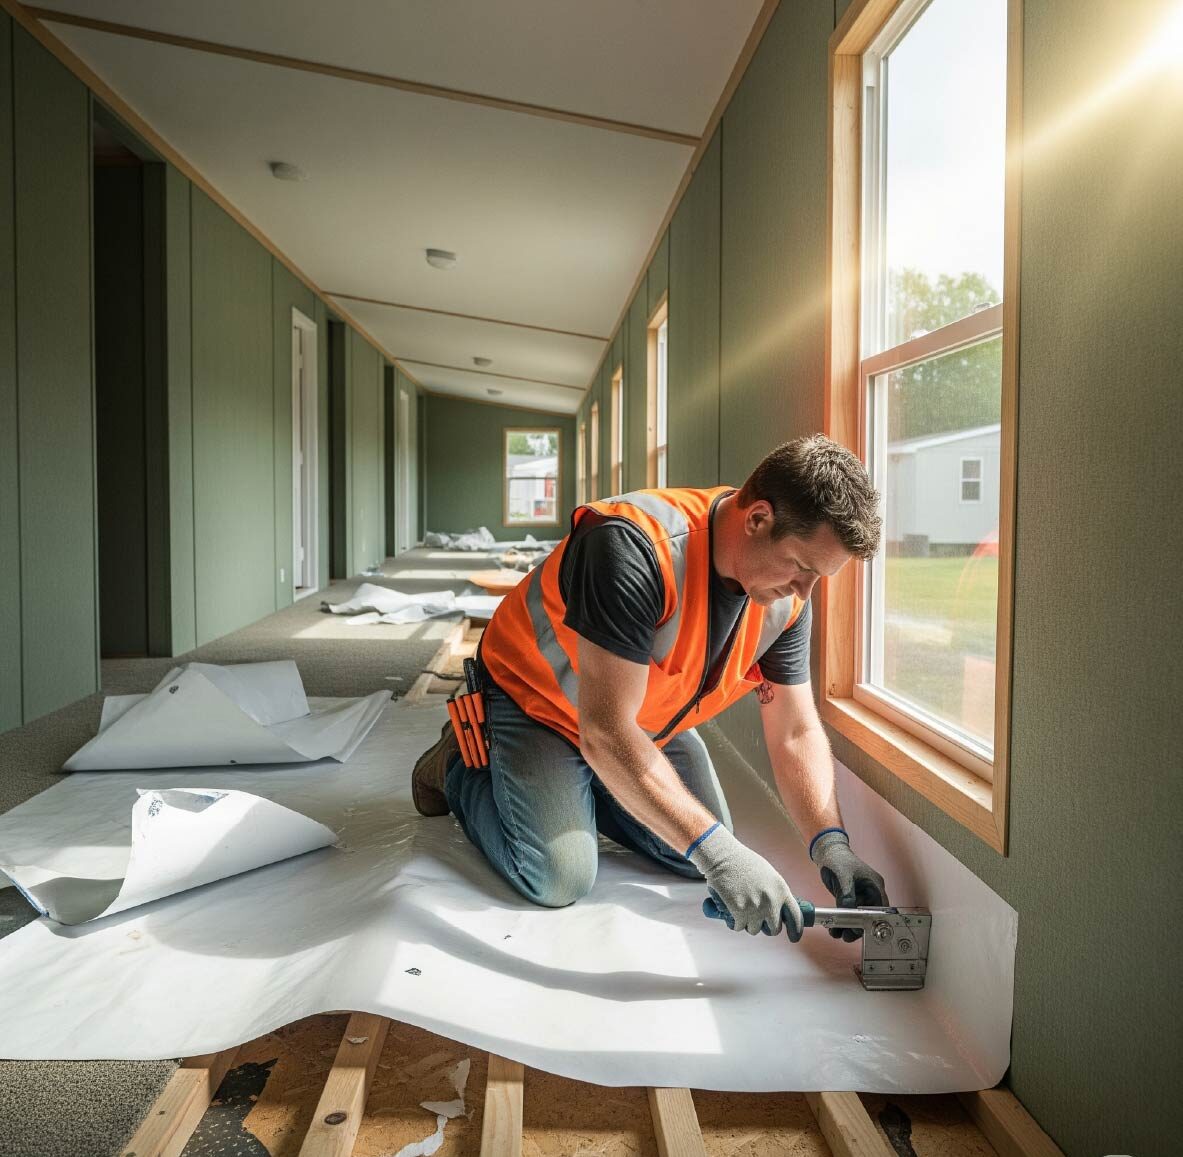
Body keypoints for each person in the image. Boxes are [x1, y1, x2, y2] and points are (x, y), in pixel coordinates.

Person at [411, 434, 888, 942]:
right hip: (537, 703)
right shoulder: (631, 546)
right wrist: (719, 853)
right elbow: (606, 731)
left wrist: (831, 844)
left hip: (642, 722)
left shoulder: (785, 598)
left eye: (819, 578)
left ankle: (589, 788)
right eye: (802, 568)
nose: (804, 592)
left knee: (693, 857)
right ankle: (456, 766)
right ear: (758, 519)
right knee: (559, 877)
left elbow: (794, 731)